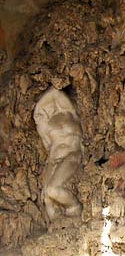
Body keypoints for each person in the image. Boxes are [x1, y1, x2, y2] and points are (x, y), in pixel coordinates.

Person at [34, 87, 82, 220]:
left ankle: (75, 207)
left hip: (71, 156)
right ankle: (57, 225)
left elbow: (55, 92)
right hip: (53, 159)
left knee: (53, 190)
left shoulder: (72, 114)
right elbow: (49, 148)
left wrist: (40, 105)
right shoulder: (48, 125)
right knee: (46, 198)